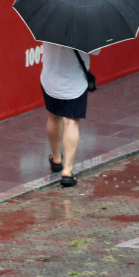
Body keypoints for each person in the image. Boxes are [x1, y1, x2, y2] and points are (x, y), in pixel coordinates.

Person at [40, 42, 100, 187]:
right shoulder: (87, 24)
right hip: (75, 80)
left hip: (51, 78)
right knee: (71, 122)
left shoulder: (50, 21)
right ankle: (67, 171)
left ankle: (56, 159)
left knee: (53, 117)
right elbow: (96, 51)